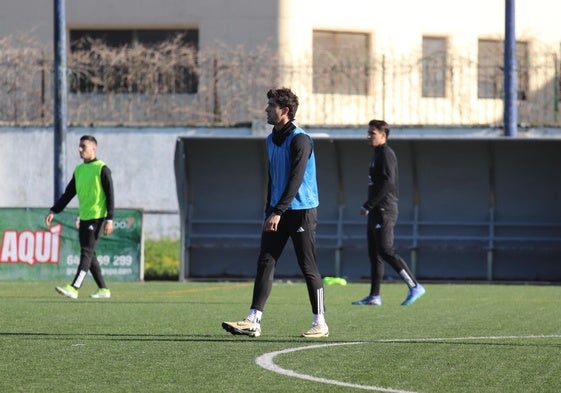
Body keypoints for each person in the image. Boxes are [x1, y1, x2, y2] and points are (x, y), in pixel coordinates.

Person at [222, 88, 328, 338]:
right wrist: (270, 210)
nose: (266, 110)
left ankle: (320, 322)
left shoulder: (301, 139)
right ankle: (253, 320)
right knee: (265, 261)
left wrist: (278, 211)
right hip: (277, 211)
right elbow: (274, 178)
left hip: (301, 211)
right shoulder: (271, 139)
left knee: (308, 266)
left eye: (271, 105)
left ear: (285, 111)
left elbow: (295, 179)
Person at [352, 119, 425, 306]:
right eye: (368, 132)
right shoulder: (376, 154)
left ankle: (414, 285)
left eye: (372, 133)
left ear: (383, 135)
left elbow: (388, 183)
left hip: (385, 210)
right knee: (374, 254)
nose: (368, 136)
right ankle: (374, 296)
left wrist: (368, 205)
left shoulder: (386, 154)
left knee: (386, 250)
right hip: (375, 211)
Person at [45, 135, 114, 300]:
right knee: (91, 255)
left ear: (93, 148)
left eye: (83, 146)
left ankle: (74, 287)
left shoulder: (102, 168)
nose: (80, 149)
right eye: (79, 146)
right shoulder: (79, 170)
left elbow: (110, 195)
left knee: (86, 252)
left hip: (97, 218)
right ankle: (104, 289)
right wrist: (54, 210)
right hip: (84, 218)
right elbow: (68, 194)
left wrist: (109, 218)